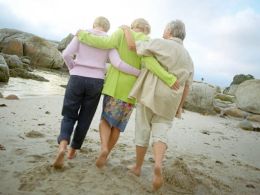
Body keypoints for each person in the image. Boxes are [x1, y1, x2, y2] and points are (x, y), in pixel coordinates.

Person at [77, 18, 178, 169]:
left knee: (105, 120)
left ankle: (103, 148)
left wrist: (82, 35)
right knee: (117, 126)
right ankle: (106, 154)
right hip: (131, 91)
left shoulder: (121, 32)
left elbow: (103, 43)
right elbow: (150, 64)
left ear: (133, 26)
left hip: (114, 85)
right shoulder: (147, 41)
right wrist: (169, 79)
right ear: (146, 29)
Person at [53, 16, 141, 169]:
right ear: (107, 28)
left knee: (69, 115)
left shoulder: (82, 34)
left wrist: (72, 68)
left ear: (94, 25)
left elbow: (66, 54)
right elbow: (117, 63)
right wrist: (138, 72)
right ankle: (72, 151)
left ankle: (62, 146)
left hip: (77, 78)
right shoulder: (109, 40)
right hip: (96, 82)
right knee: (85, 118)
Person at [121, 20, 194, 191]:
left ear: (169, 30)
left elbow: (133, 46)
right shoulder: (189, 57)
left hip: (151, 93)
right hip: (172, 99)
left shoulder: (161, 43)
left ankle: (137, 167)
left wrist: (125, 28)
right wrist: (180, 106)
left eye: (165, 28)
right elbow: (187, 86)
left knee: (143, 129)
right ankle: (158, 165)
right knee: (161, 132)